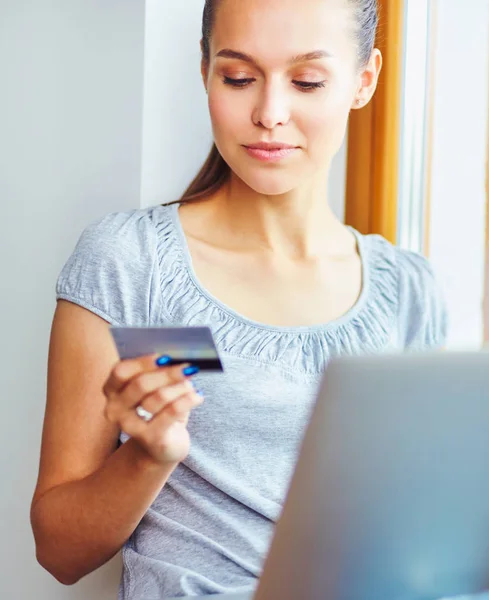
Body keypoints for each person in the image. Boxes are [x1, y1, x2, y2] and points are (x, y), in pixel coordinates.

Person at [30, 0, 448, 598]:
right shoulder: (132, 262)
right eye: (239, 78)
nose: (269, 113)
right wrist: (149, 455)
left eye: (306, 82)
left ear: (364, 80)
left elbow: (420, 527)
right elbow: (59, 551)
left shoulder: (410, 290)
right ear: (205, 70)